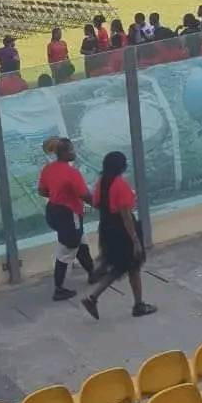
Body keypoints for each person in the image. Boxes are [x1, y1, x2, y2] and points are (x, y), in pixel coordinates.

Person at [81, 151, 156, 321]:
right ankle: (138, 305)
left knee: (120, 267)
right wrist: (135, 241)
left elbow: (96, 203)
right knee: (133, 266)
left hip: (107, 229)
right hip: (122, 231)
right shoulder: (120, 185)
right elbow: (126, 217)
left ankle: (93, 298)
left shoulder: (102, 182)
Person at [38, 137, 95, 302]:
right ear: (63, 153)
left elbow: (42, 191)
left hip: (54, 211)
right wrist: (102, 207)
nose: (74, 152)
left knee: (81, 242)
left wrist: (58, 194)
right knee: (68, 249)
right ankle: (59, 288)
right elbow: (86, 196)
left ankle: (93, 273)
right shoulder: (72, 173)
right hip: (69, 214)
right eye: (71, 149)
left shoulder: (48, 169)